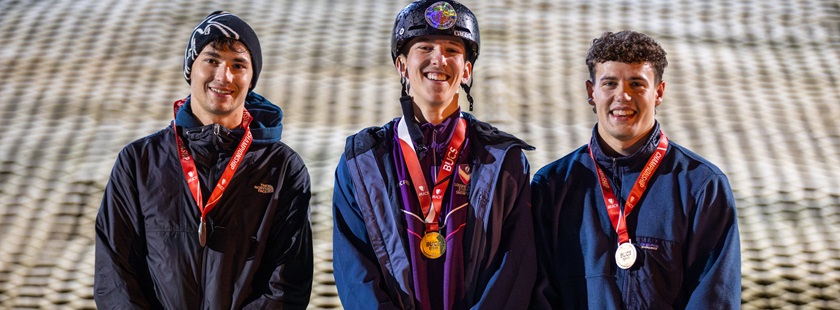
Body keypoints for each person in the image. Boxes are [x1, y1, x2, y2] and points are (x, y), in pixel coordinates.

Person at [94, 11, 313, 309]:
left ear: (251, 79)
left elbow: (287, 284)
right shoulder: (138, 162)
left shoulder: (282, 169)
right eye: (211, 60)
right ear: (190, 69)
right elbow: (114, 274)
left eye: (238, 65)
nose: (224, 76)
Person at [331, 1, 537, 309]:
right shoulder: (362, 162)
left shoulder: (504, 161)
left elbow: (514, 267)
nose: (438, 60)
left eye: (452, 50)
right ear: (401, 65)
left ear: (467, 70)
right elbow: (355, 271)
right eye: (424, 48)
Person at [530, 30, 741, 309]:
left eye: (637, 84)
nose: (623, 96)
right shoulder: (552, 185)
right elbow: (538, 294)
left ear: (659, 93)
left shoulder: (702, 186)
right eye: (610, 83)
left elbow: (714, 298)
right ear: (591, 93)